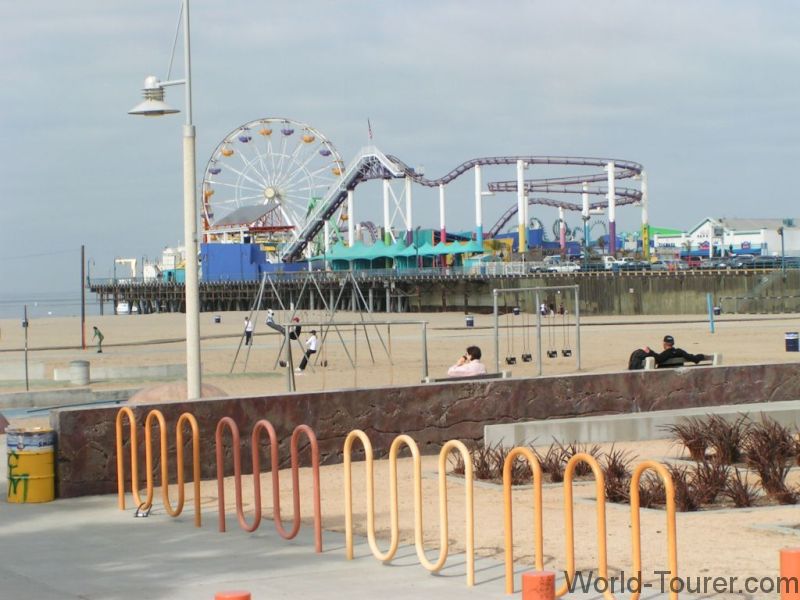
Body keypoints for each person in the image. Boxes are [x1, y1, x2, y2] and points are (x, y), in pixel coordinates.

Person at [642, 335, 706, 368]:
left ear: (664, 343)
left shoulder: (666, 353)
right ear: (673, 343)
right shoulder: (679, 351)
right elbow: (693, 358)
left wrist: (649, 351)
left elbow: (659, 359)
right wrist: (701, 356)